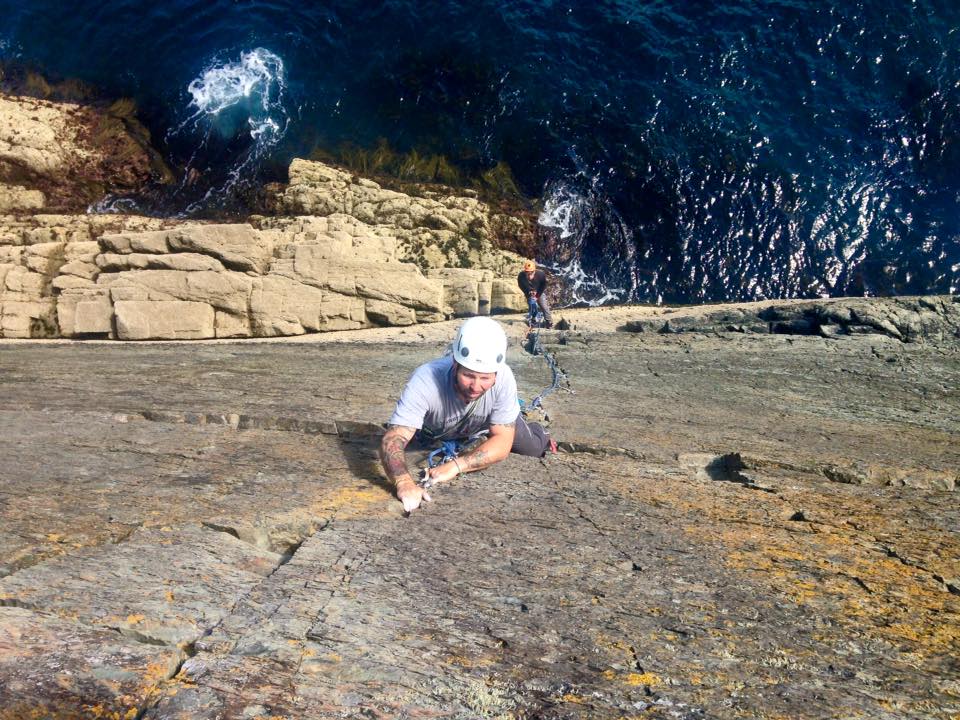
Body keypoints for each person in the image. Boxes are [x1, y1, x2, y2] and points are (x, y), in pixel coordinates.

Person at [380, 316, 555, 513]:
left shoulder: (504, 377)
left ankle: (539, 432)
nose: (475, 386)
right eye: (468, 375)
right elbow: (393, 438)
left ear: (496, 374)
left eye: (485, 378)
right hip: (438, 428)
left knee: (531, 447)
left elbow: (502, 442)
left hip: (488, 422)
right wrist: (403, 483)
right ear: (454, 364)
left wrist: (455, 466)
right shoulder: (425, 379)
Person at [517, 259, 552, 329]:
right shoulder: (521, 276)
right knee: (532, 305)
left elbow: (543, 285)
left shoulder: (540, 274)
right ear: (525, 271)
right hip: (529, 292)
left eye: (531, 273)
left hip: (539, 291)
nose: (529, 275)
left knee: (543, 305)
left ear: (534, 271)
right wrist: (528, 292)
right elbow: (521, 286)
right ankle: (533, 319)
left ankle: (549, 321)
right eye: (527, 273)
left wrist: (537, 295)